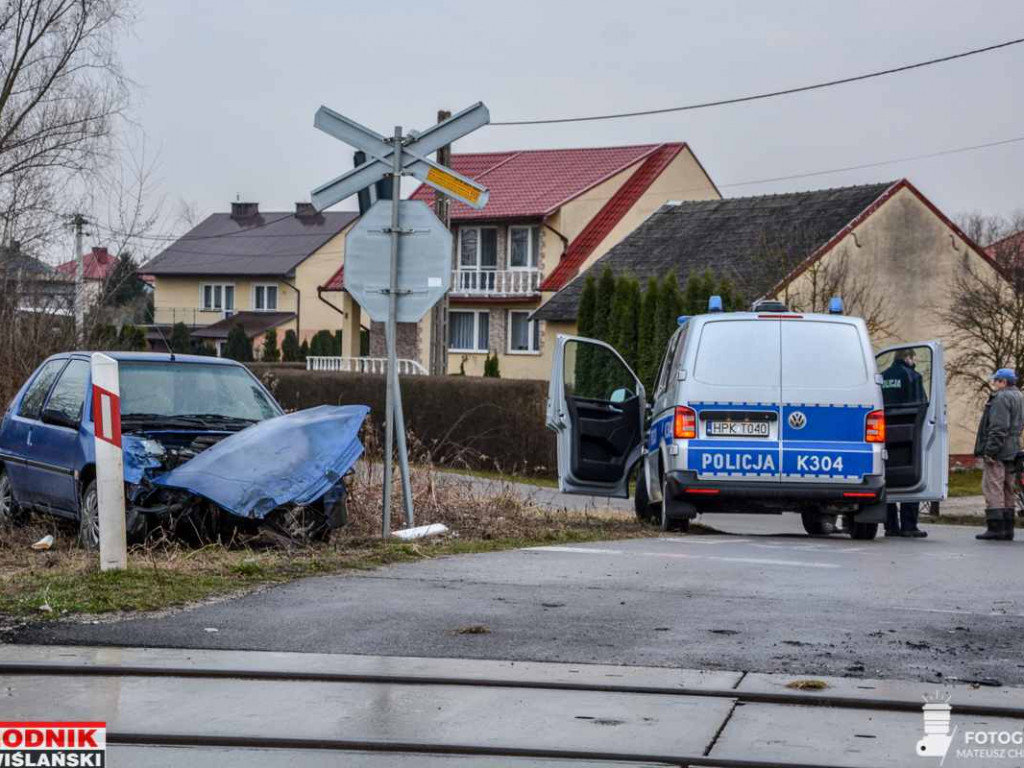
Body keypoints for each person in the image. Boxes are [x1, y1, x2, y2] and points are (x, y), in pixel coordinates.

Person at [880, 349, 928, 537]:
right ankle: (909, 525)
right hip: (908, 433)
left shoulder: (882, 377)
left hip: (884, 432)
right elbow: (921, 405)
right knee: (910, 478)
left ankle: (891, 525)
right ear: (908, 358)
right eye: (913, 358)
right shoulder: (913, 376)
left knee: (888, 480)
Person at [974, 368, 1024, 541]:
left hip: (999, 449)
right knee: (1008, 488)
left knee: (993, 487)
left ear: (1003, 382)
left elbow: (998, 428)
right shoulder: (1019, 396)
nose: (994, 384)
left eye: (996, 380)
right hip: (1013, 448)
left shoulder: (1001, 397)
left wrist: (990, 451)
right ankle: (1008, 529)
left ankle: (996, 528)